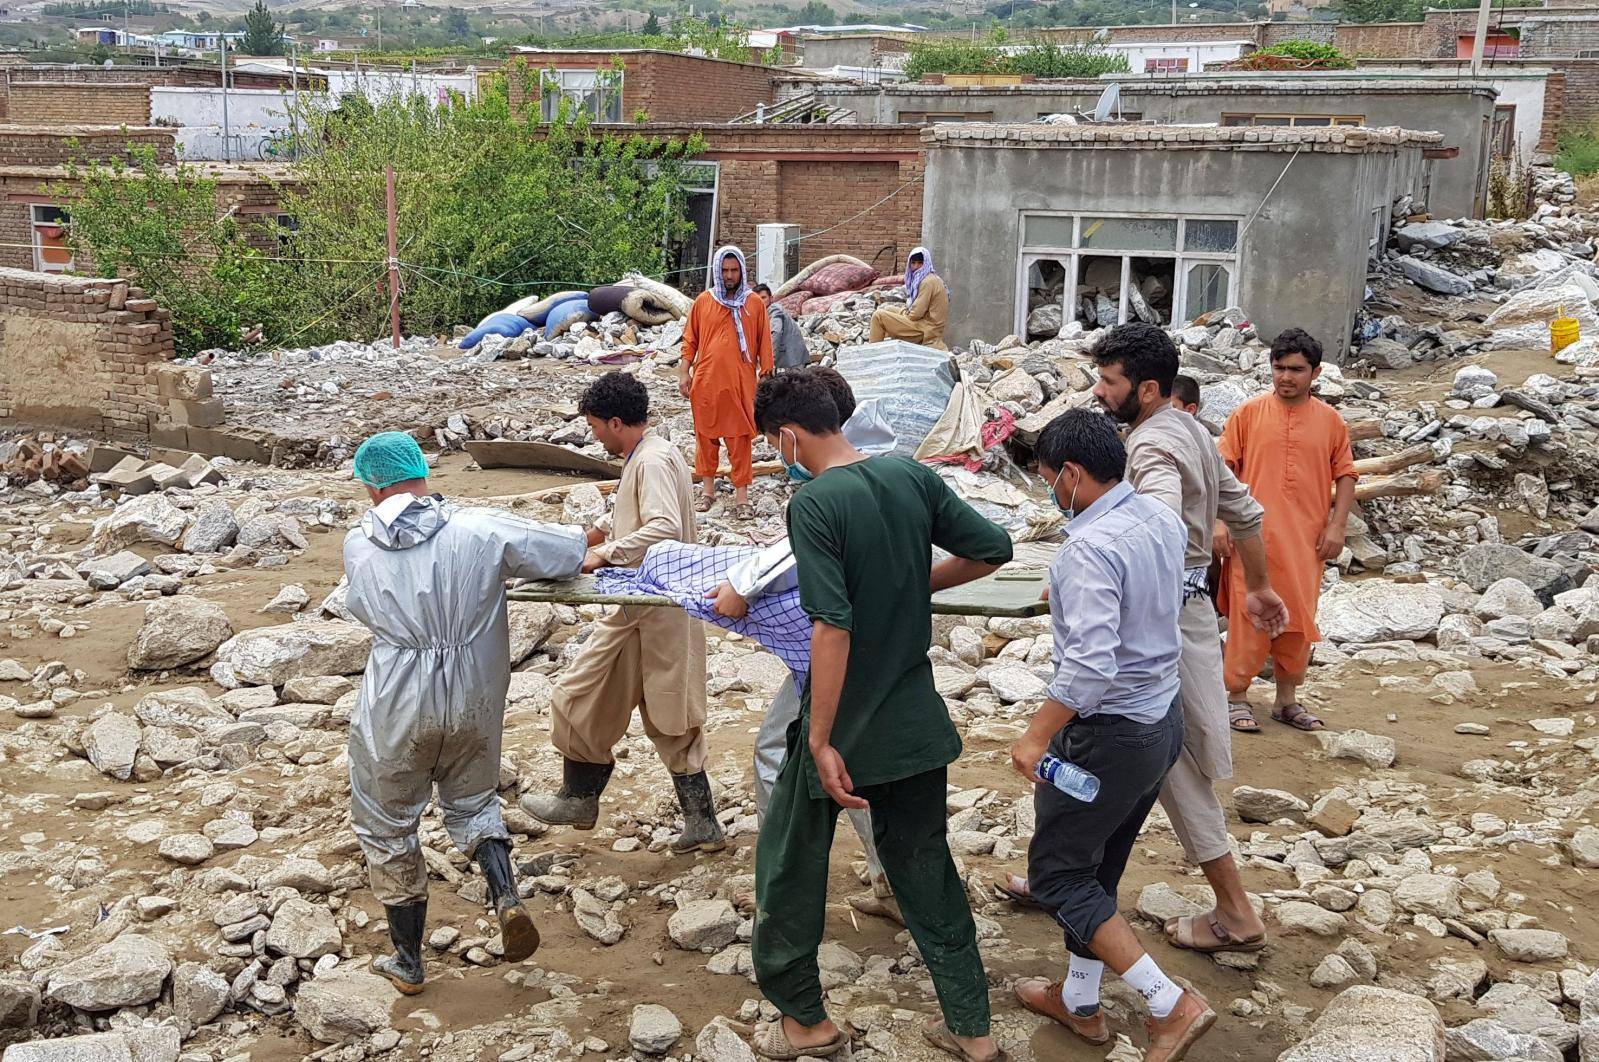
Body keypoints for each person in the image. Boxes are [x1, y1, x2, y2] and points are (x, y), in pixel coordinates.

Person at [997, 323, 1288, 958]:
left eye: (1109, 382)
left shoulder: (1151, 450)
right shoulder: (1189, 427)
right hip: (1181, 612)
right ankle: (1071, 883)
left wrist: (1092, 568)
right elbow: (1243, 511)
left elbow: (1143, 526)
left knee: (1165, 763)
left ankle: (1223, 910)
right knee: (1156, 760)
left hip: (1158, 618)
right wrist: (1259, 586)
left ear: (1147, 388)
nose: (1100, 393)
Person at [749, 372, 1012, 1062]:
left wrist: (820, 737)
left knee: (790, 867)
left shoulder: (813, 504)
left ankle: (805, 1021)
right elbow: (993, 548)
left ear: (787, 437)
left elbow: (830, 626)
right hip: (915, 725)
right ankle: (970, 1028)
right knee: (926, 868)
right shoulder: (909, 477)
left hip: (847, 727)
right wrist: (913, 581)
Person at [343, 431, 587, 995]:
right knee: (473, 800)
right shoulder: (479, 528)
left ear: (371, 484)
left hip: (396, 698)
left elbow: (361, 607)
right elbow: (568, 551)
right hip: (474, 691)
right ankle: (505, 896)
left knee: (387, 822)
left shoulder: (358, 545)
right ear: (422, 471)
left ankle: (408, 961)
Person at [1008, 410, 1215, 1061]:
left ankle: (1167, 1002)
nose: (1048, 490)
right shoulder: (1155, 517)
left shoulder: (1087, 549)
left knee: (1057, 874)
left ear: (1069, 474)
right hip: (1159, 719)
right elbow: (1152, 592)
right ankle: (1078, 1000)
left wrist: (1035, 737)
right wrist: (1070, 595)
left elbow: (1089, 666)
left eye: (1047, 479)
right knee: (1098, 864)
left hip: (1109, 734)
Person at [702, 366, 901, 921]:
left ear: (792, 432)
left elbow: (826, 611)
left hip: (844, 649)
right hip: (890, 641)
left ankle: (781, 887)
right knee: (855, 758)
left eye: (772, 439)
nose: (775, 450)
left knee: (783, 748)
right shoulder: (893, 472)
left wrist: (743, 585)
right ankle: (892, 878)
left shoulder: (831, 490)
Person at [520, 372, 724, 854]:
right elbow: (633, 514)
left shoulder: (651, 460)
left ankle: (695, 822)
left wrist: (605, 553)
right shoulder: (652, 453)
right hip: (643, 605)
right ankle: (582, 797)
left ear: (615, 422)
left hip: (657, 607)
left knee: (664, 712)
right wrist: (589, 536)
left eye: (595, 427)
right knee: (592, 696)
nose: (594, 436)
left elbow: (662, 526)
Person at [1219, 328, 1358, 733]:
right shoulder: (1247, 414)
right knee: (1247, 615)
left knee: (1298, 617)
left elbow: (1346, 475)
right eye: (1279, 368)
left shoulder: (1331, 422)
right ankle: (1237, 696)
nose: (1286, 377)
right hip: (1252, 539)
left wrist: (1338, 525)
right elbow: (1223, 470)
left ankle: (1286, 700)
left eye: (1296, 369)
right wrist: (1221, 521)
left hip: (1306, 541)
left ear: (1315, 373)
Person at [681, 247, 773, 520]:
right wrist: (684, 373)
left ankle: (741, 497)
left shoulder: (754, 303)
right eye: (724, 271)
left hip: (741, 384)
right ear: (716, 272)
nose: (729, 276)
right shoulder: (703, 302)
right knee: (706, 438)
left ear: (742, 271)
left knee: (740, 439)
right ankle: (707, 492)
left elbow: (764, 344)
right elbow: (690, 341)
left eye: (734, 271)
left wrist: (765, 379)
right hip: (707, 383)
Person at [869, 246, 950, 351]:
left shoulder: (927, 282)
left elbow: (915, 314)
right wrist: (904, 312)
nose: (916, 267)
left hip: (926, 331)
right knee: (888, 309)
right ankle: (889, 348)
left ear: (925, 263)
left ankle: (873, 353)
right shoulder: (930, 278)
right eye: (913, 263)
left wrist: (904, 314)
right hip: (924, 323)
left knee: (878, 316)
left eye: (920, 263)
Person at [756, 283, 810, 371]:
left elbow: (775, 332)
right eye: (758, 299)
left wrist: (770, 360)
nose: (761, 301)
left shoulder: (774, 310)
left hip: (792, 360)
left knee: (793, 384)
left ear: (771, 298)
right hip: (791, 359)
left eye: (763, 298)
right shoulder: (764, 312)